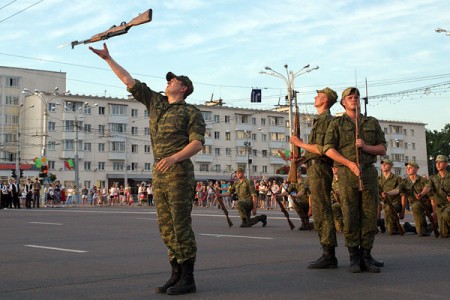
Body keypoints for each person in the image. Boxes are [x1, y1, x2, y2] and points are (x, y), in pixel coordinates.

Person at [90, 43, 205, 295]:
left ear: (183, 88)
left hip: (178, 173)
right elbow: (128, 80)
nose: (168, 81)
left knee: (180, 224)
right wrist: (108, 58)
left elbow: (197, 143)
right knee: (165, 226)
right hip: (160, 173)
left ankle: (188, 277)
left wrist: (175, 158)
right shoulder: (156, 103)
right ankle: (175, 273)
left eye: (173, 80)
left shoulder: (190, 112)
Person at [324, 87, 386, 273]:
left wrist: (366, 147)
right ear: (343, 102)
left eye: (357, 97)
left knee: (369, 215)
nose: (354, 100)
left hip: (367, 172)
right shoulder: (336, 123)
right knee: (350, 215)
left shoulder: (371, 122)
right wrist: (349, 164)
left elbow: (382, 149)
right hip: (347, 174)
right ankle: (354, 257)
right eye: (350, 98)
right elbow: (328, 149)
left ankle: (366, 255)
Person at [289, 87, 338, 269]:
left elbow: (323, 148)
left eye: (319, 95)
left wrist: (300, 144)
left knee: (322, 210)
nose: (316, 97)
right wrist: (303, 157)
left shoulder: (326, 120)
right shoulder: (320, 120)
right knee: (319, 210)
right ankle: (327, 252)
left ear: (326, 101)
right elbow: (316, 150)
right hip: (314, 167)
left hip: (320, 169)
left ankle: (329, 254)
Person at [399, 161, 432, 237]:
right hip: (416, 205)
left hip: (426, 204)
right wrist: (387, 193)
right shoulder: (405, 182)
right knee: (421, 231)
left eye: (410, 167)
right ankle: (417, 228)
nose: (408, 169)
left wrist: (435, 213)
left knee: (444, 231)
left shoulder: (423, 180)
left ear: (416, 169)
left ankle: (429, 226)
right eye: (407, 168)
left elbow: (431, 195)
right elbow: (398, 191)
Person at [378, 159, 404, 235]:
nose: (383, 165)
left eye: (386, 164)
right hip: (384, 203)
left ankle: (403, 227)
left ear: (391, 166)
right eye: (382, 164)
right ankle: (380, 222)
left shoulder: (397, 178)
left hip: (395, 203)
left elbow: (399, 191)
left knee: (391, 231)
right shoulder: (378, 179)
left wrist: (402, 211)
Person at [429, 155, 450, 238]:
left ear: (446, 164)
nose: (438, 164)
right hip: (440, 207)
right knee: (444, 234)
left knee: (446, 214)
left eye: (440, 162)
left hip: (448, 205)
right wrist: (422, 193)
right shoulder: (433, 178)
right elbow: (428, 188)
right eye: (436, 162)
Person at [330, 166, 344, 233]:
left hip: (343, 201)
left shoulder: (343, 180)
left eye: (335, 168)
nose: (334, 169)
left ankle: (341, 222)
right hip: (334, 201)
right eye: (333, 168)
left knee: (334, 207)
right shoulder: (331, 180)